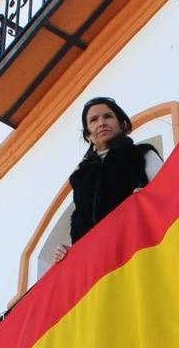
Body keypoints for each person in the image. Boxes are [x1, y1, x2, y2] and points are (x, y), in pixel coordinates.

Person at [53, 97, 163, 261]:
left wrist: (148, 198)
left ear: (121, 124)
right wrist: (68, 252)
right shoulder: (81, 179)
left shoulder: (143, 154)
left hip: (141, 252)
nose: (101, 123)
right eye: (94, 120)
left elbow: (168, 193)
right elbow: (82, 226)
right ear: (88, 135)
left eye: (108, 116)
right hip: (100, 267)